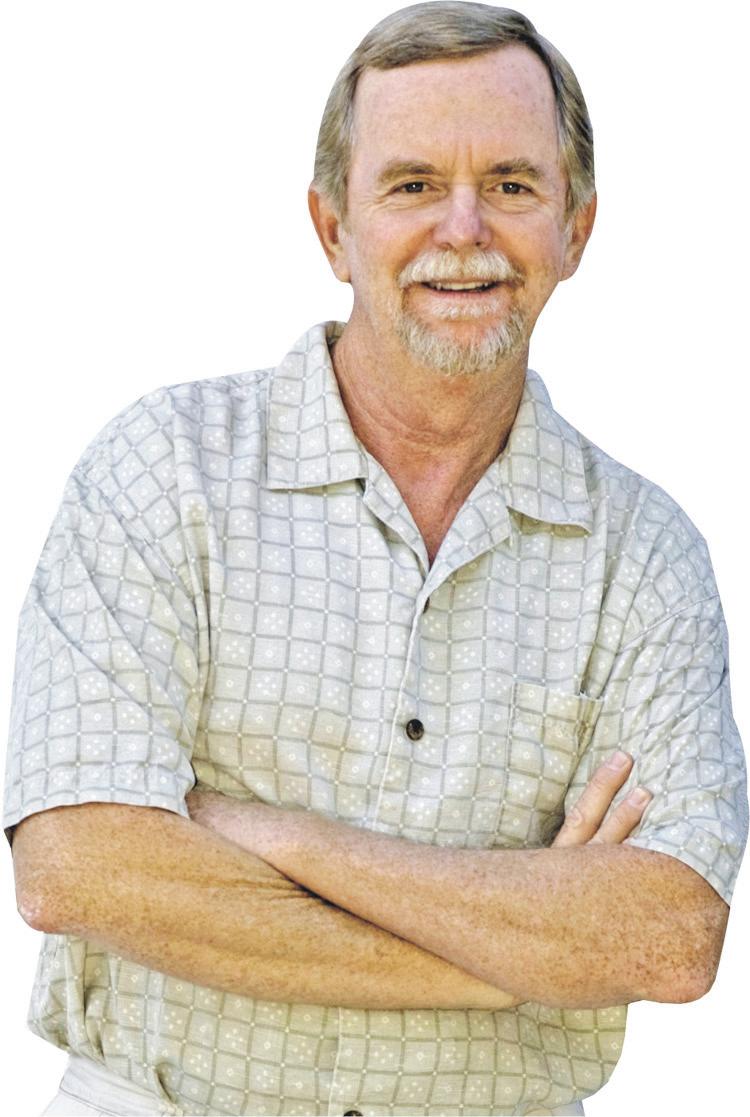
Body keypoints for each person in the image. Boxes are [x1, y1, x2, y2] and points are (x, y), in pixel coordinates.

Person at [4, 2, 747, 1116]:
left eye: (511, 184)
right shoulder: (164, 470)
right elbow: (79, 867)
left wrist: (270, 833)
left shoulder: (645, 555)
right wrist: (514, 958)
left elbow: (668, 934)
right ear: (331, 228)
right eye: (412, 185)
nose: (464, 228)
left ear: (576, 229)